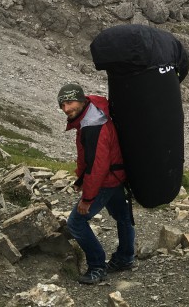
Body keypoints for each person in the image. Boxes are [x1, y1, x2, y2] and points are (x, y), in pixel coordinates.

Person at [58, 82, 135, 284]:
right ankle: (125, 258)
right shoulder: (94, 113)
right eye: (62, 105)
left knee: (75, 223)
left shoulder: (93, 124)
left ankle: (97, 266)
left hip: (106, 180)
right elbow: (91, 158)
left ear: (82, 100)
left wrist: (88, 198)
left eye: (70, 102)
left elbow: (98, 166)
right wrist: (81, 179)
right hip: (116, 176)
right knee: (123, 217)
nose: (66, 109)